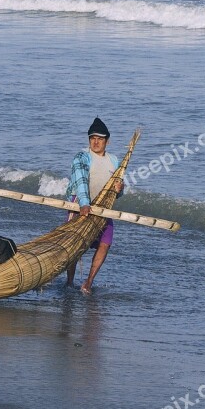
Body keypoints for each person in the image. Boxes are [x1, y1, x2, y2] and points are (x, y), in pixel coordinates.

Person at [65, 118, 124, 294]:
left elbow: (118, 191)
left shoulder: (114, 161)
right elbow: (81, 181)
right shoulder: (82, 157)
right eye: (92, 138)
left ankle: (88, 283)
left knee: (105, 243)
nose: (96, 142)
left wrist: (120, 189)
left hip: (103, 207)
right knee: (75, 245)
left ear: (107, 141)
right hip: (80, 202)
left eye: (100, 138)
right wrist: (84, 204)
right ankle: (69, 282)